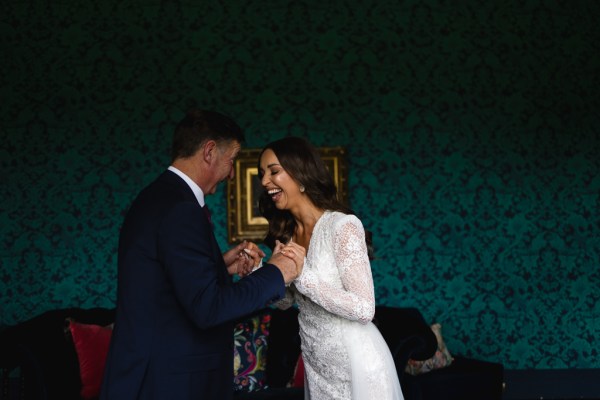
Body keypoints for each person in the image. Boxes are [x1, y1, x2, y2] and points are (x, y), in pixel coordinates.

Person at [100, 109, 302, 400]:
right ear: (209, 151)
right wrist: (276, 270)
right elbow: (208, 309)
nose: (232, 173)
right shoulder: (180, 208)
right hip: (168, 382)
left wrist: (219, 265)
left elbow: (161, 284)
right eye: (231, 160)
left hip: (153, 373)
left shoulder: (157, 197)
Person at [257, 136, 404, 400]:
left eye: (274, 171)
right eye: (262, 174)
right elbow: (287, 301)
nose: (264, 181)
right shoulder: (288, 235)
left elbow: (364, 308)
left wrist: (303, 276)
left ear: (300, 175)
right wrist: (261, 272)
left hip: (356, 364)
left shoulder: (343, 226)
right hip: (317, 365)